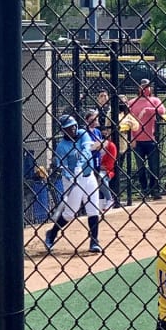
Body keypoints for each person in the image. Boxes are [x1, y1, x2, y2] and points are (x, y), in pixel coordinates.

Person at [43, 114, 103, 254]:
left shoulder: (83, 134)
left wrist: (79, 167)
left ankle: (94, 241)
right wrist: (71, 175)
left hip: (88, 176)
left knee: (93, 209)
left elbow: (86, 151)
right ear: (63, 130)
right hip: (72, 180)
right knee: (70, 213)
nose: (73, 129)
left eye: (74, 126)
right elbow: (61, 166)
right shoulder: (62, 147)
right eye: (69, 128)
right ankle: (51, 234)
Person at [128, 78, 166, 199]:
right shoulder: (132, 102)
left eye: (148, 87)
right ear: (139, 88)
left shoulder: (155, 100)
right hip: (138, 140)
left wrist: (147, 110)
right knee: (141, 168)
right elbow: (128, 119)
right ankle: (144, 190)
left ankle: (154, 190)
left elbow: (162, 110)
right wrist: (132, 138)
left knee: (154, 166)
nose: (146, 89)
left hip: (151, 139)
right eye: (143, 86)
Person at [83, 109, 113, 211]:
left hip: (96, 159)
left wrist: (100, 146)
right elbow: (87, 146)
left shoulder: (97, 132)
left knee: (98, 179)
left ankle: (107, 200)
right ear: (86, 120)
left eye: (95, 119)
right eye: (92, 119)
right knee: (90, 182)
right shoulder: (84, 132)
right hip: (88, 160)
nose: (95, 122)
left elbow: (100, 146)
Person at [99, 125, 118, 211]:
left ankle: (109, 199)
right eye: (101, 136)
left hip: (106, 171)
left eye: (105, 135)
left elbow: (109, 165)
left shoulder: (111, 146)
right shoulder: (94, 146)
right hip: (94, 169)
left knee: (100, 177)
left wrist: (97, 166)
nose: (103, 138)